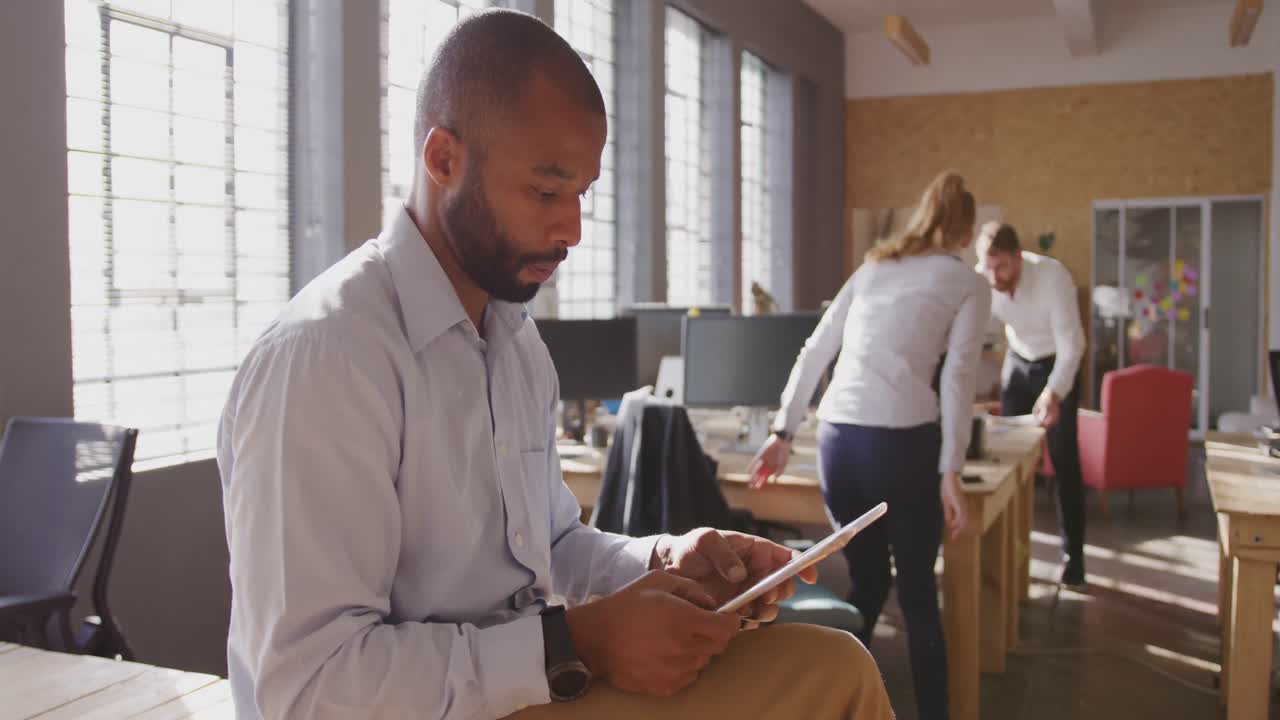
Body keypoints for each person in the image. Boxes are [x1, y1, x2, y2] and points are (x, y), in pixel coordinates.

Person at [216, 10, 893, 720]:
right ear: (443, 159)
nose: (570, 229)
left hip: (525, 690)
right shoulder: (328, 358)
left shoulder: (514, 343)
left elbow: (552, 546)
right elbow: (308, 687)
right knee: (831, 680)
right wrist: (574, 644)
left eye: (581, 195)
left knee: (832, 663)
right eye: (545, 191)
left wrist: (666, 562)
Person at [750, 171, 990, 720]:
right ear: (966, 232)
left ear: (921, 217)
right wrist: (951, 471)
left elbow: (816, 350)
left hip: (839, 443)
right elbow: (958, 378)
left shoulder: (874, 267)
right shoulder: (969, 283)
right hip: (903, 447)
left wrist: (782, 433)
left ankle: (831, 703)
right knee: (918, 594)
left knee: (869, 578)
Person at [975, 222, 1087, 588]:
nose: (995, 277)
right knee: (1007, 461)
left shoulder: (1053, 277)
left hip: (1057, 363)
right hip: (1019, 361)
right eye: (988, 268)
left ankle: (1074, 558)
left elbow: (1073, 346)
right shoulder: (983, 278)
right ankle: (1009, 555)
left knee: (1064, 460)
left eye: (1002, 267)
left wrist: (1053, 392)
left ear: (1018, 258)